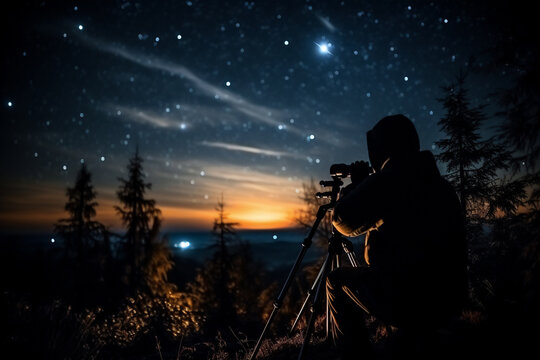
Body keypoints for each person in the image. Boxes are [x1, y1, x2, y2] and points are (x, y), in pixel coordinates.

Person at [327, 114, 468, 359]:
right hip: (449, 295)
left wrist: (361, 185)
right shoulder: (437, 182)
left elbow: (342, 220)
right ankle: (416, 338)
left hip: (411, 297)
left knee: (336, 281)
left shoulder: (391, 180)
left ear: (383, 148)